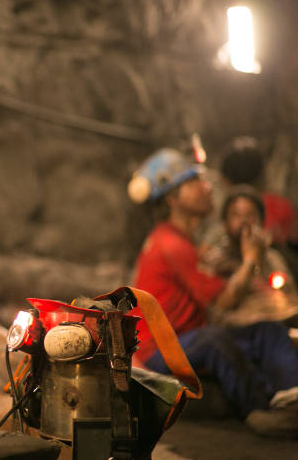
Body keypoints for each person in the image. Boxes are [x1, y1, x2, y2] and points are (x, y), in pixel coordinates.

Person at [126, 147, 298, 438]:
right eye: (193, 183)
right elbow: (224, 301)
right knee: (215, 339)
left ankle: (292, 398)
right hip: (161, 351)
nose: (206, 187)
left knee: (266, 331)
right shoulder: (171, 244)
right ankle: (262, 410)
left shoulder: (184, 241)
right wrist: (249, 260)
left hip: (186, 339)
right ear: (172, 199)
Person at [202, 185, 298, 327]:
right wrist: (250, 259)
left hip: (275, 324)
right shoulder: (215, 260)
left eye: (250, 215)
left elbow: (289, 298)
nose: (244, 221)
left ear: (261, 221)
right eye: (236, 215)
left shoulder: (272, 258)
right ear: (224, 223)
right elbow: (218, 309)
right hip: (236, 329)